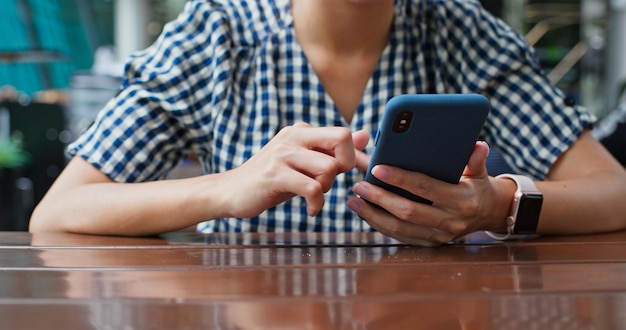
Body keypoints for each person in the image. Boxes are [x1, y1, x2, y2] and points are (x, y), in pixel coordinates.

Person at [29, 0, 626, 246]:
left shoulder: (461, 30)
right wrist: (227, 188)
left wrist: (498, 205)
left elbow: (614, 193)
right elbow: (58, 213)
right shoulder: (217, 31)